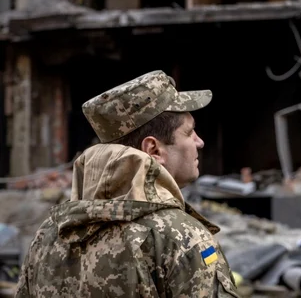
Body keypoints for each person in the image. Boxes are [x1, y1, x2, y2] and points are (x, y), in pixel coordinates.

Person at [15, 70, 239, 297]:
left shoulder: (49, 234)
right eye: (189, 132)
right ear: (153, 150)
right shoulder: (181, 237)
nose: (199, 142)